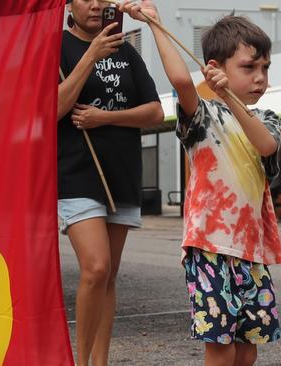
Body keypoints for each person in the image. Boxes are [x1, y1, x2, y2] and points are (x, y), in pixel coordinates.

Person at [120, 2, 281, 365]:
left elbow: (265, 145)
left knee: (248, 346)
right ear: (215, 69)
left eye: (265, 68)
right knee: (220, 345)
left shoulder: (267, 119)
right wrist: (156, 25)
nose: (260, 76)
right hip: (209, 245)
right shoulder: (202, 118)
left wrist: (228, 95)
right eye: (249, 67)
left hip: (252, 251)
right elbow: (180, 81)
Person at [57, 1, 164, 365]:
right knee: (96, 267)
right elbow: (52, 108)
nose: (97, 4)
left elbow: (155, 111)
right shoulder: (55, 48)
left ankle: (100, 361)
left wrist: (105, 117)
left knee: (109, 276)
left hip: (120, 174)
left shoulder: (125, 50)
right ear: (69, 3)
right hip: (76, 174)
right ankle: (80, 360)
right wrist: (91, 55)